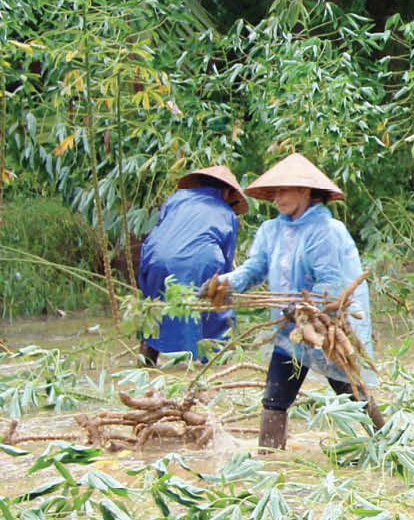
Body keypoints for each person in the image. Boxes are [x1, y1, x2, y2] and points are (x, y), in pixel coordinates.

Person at [207, 153, 383, 450]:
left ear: (304, 191)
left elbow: (330, 284)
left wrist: (303, 309)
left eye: (283, 191)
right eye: (274, 192)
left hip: (325, 328)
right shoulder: (271, 230)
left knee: (352, 393)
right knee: (275, 399)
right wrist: (224, 283)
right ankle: (269, 461)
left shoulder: (326, 231)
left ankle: (387, 445)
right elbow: (255, 268)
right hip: (289, 332)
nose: (276, 198)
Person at [137, 165, 248, 363]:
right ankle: (214, 365)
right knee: (215, 307)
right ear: (226, 192)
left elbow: (164, 230)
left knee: (155, 309)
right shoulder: (227, 213)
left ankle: (146, 362)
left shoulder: (174, 200)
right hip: (201, 261)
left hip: (155, 258)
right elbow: (226, 261)